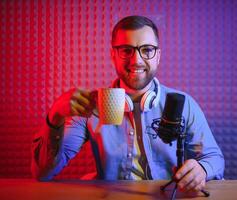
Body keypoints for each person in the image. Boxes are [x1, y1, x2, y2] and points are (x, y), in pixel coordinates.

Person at [31, 15, 224, 193]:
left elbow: (214, 159)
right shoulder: (89, 106)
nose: (136, 60)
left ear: (158, 56)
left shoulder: (184, 104)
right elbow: (43, 173)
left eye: (147, 50)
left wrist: (202, 169)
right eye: (126, 51)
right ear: (113, 55)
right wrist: (55, 116)